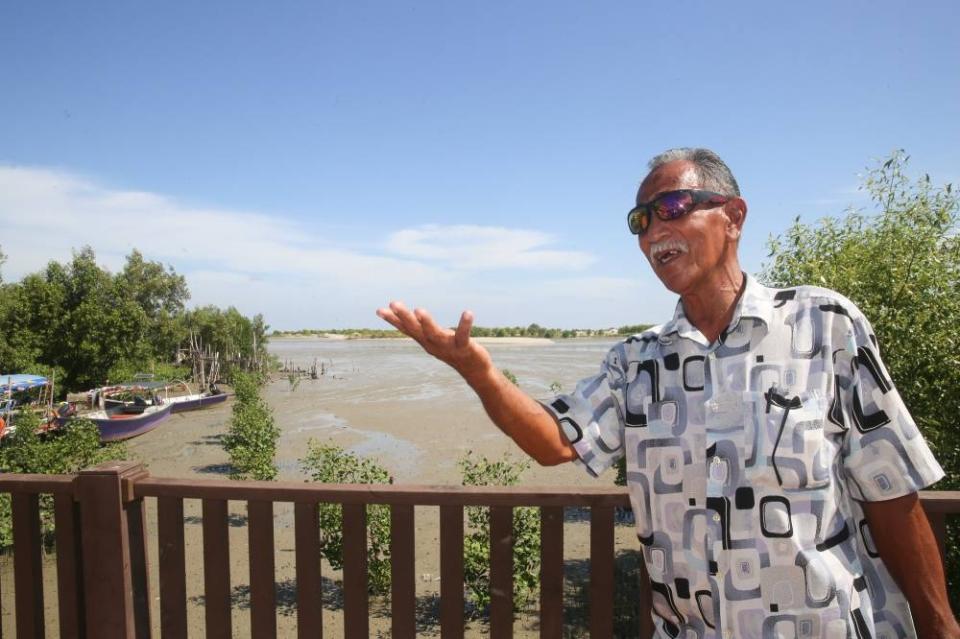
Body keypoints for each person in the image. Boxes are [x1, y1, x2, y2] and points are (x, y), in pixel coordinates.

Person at [377, 148, 958, 638]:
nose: (654, 231)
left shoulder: (822, 323)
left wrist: (940, 626)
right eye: (641, 221)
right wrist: (478, 373)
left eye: (672, 208)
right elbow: (555, 441)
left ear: (733, 216)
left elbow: (890, 489)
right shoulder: (636, 362)